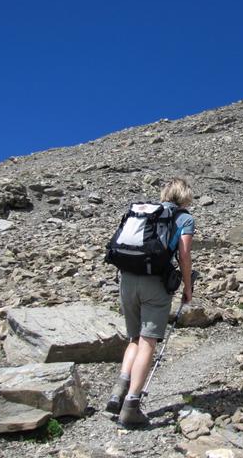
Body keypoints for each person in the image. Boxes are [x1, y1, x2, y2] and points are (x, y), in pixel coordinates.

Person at [106, 178, 195, 427]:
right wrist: (188, 287)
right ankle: (132, 405)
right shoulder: (184, 218)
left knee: (134, 339)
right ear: (185, 196)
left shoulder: (143, 211)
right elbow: (184, 255)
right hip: (154, 283)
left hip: (127, 280)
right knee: (148, 341)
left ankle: (118, 392)